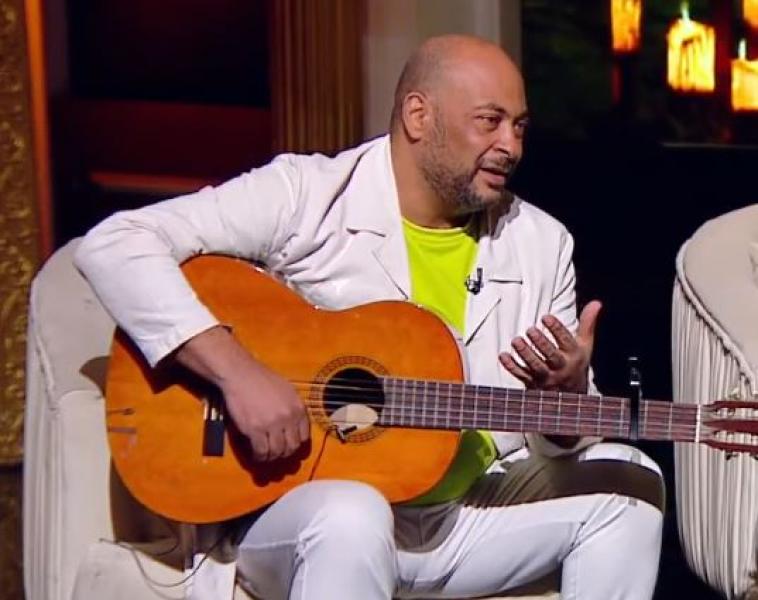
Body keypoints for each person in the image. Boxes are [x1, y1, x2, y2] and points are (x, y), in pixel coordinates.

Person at [75, 34, 664, 600]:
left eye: (520, 127)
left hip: (463, 517)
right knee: (353, 512)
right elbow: (115, 244)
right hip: (307, 516)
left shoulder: (542, 242)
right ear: (418, 115)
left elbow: (555, 447)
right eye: (490, 121)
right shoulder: (307, 194)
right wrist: (237, 372)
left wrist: (565, 399)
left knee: (633, 483)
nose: (511, 146)